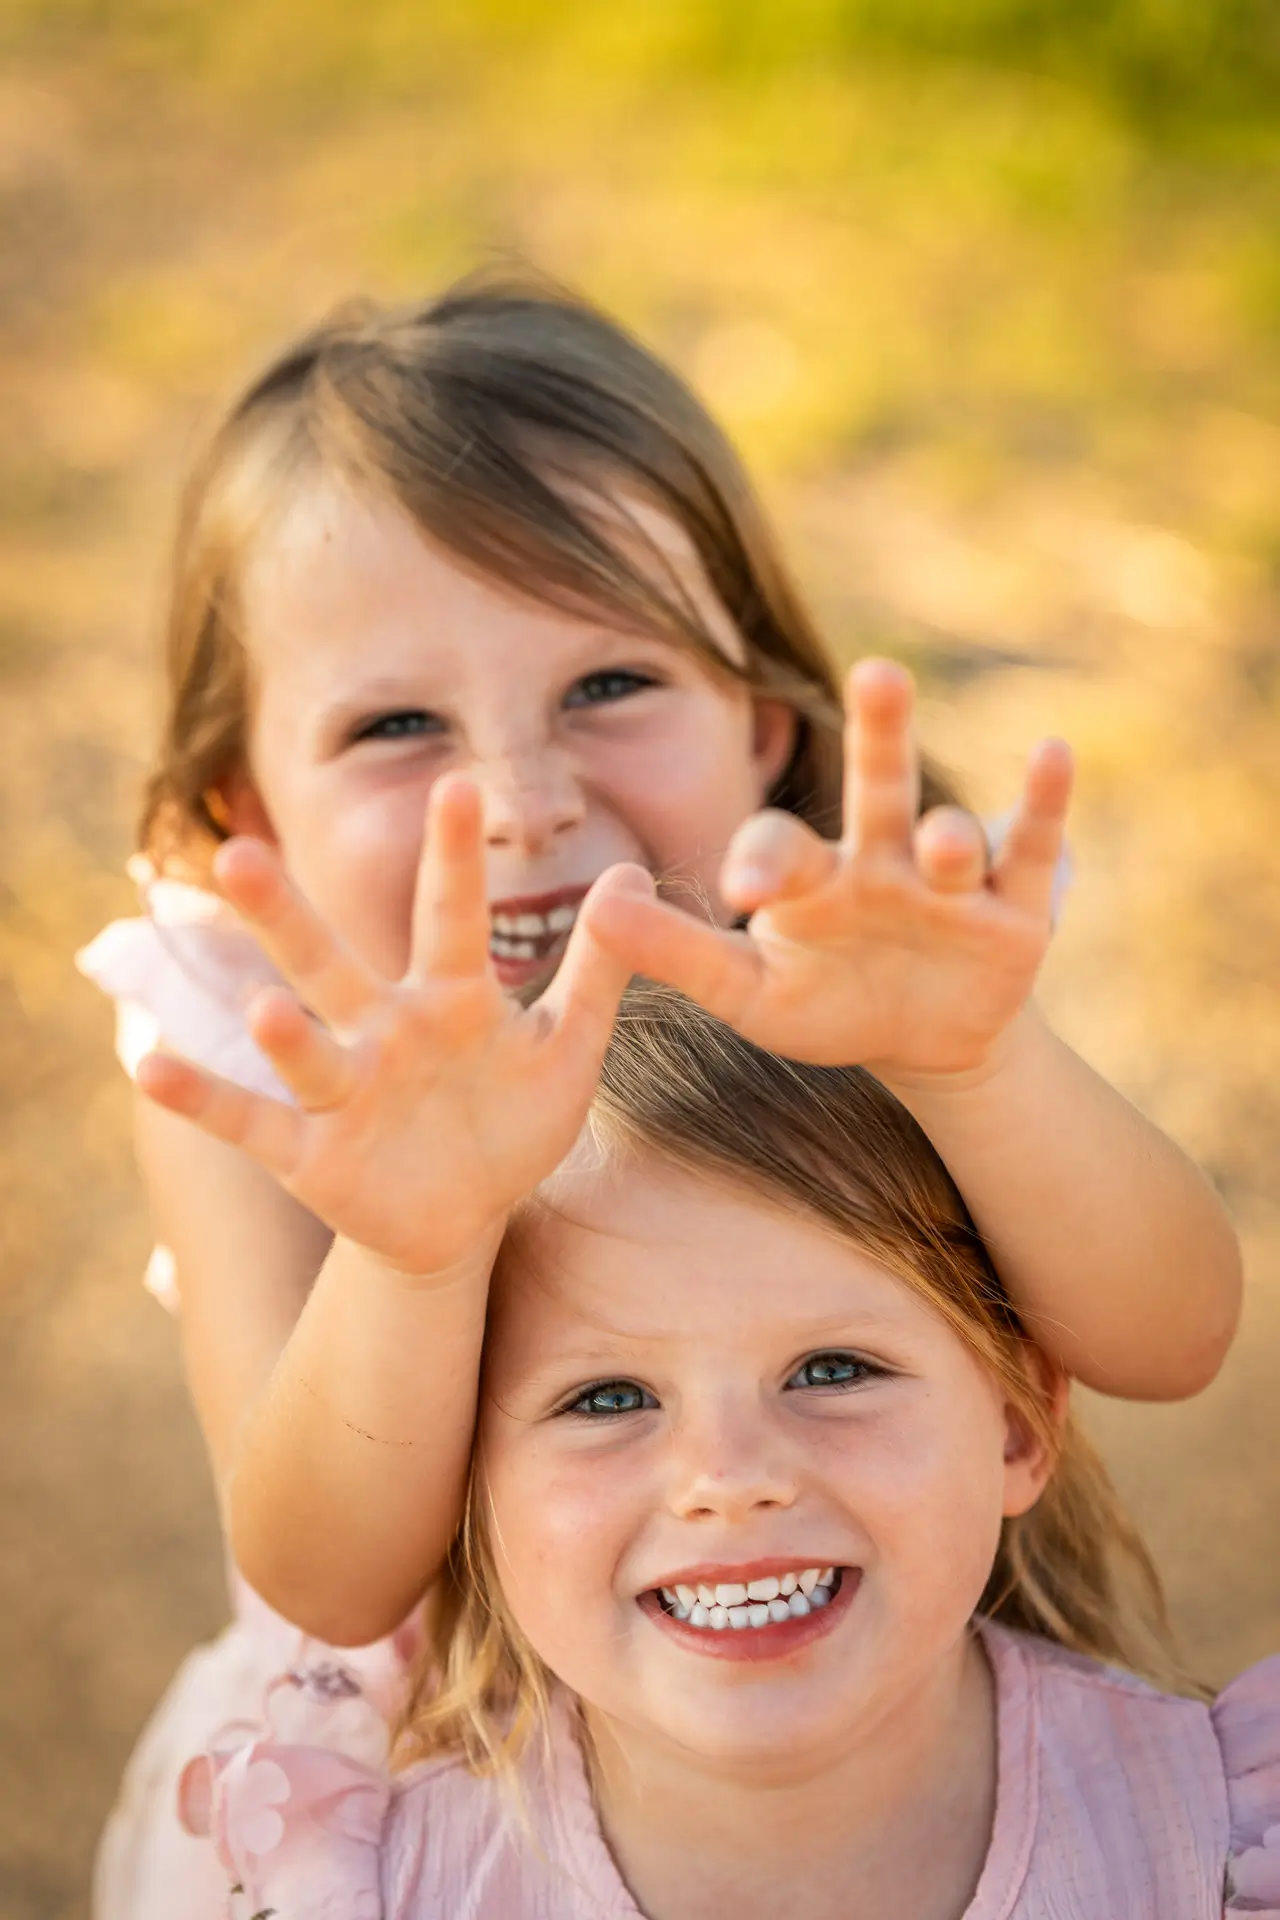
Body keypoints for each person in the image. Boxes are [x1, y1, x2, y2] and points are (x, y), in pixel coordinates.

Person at [79, 273, 1241, 1910]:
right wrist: (417, 1251)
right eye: (399, 725)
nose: (522, 800)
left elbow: (1168, 1336)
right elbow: (332, 1578)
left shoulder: (855, 954)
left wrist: (976, 1066)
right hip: (428, 1800)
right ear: (243, 804)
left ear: (762, 726)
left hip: (872, 1741)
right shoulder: (253, 1054)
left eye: (609, 686)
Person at [175, 962, 1280, 1918]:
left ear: (1013, 1425)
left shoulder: (1217, 1846)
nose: (728, 1480)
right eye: (606, 1398)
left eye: (833, 1371)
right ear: (467, 1483)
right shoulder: (386, 1888)